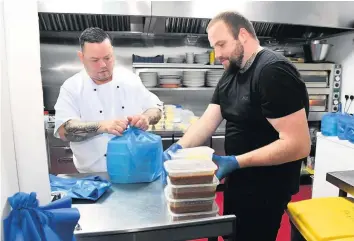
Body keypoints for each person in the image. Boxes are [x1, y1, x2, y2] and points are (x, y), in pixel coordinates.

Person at [163, 11, 310, 241]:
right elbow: (207, 122)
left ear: (242, 35)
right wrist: (177, 149)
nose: (217, 54)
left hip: (266, 190)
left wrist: (235, 161)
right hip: (240, 181)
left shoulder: (272, 71)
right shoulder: (232, 71)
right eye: (214, 47)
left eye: (221, 44)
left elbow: (299, 145)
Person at [54, 27, 163, 173]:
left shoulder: (130, 79)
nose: (103, 65)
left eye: (107, 58)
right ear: (81, 57)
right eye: (95, 60)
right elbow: (64, 130)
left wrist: (146, 118)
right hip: (92, 175)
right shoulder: (72, 87)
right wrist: (103, 126)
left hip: (133, 169)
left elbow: (154, 108)